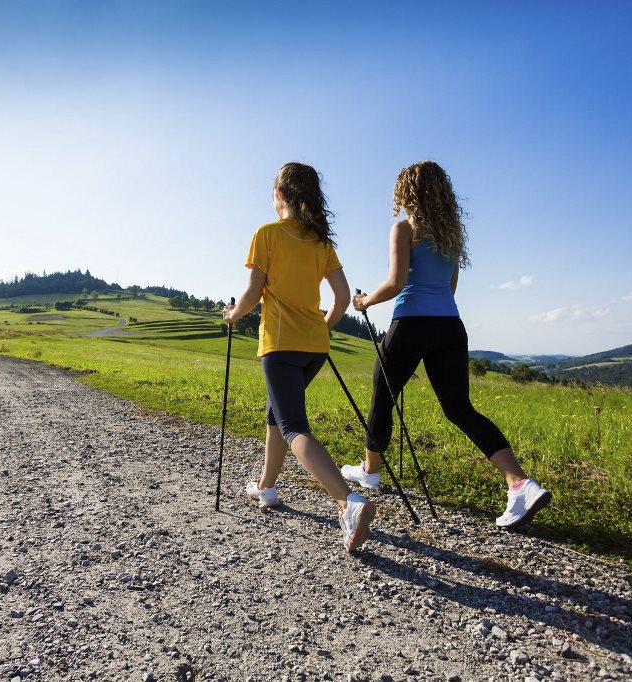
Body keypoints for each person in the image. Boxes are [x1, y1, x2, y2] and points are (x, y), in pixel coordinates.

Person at [346, 160, 551, 530]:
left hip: (411, 322)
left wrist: (364, 303)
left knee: (381, 395)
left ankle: (370, 472)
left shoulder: (404, 229)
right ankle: (519, 483)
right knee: (460, 409)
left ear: (406, 192)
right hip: (450, 326)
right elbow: (450, 287)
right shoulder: (450, 235)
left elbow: (395, 283)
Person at [223, 162, 376, 552]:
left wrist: (232, 315)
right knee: (276, 413)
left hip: (279, 344)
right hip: (315, 346)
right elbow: (342, 299)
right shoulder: (323, 243)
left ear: (282, 193)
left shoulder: (266, 234)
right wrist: (323, 326)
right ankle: (266, 487)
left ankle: (349, 502)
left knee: (293, 426)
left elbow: (253, 293)